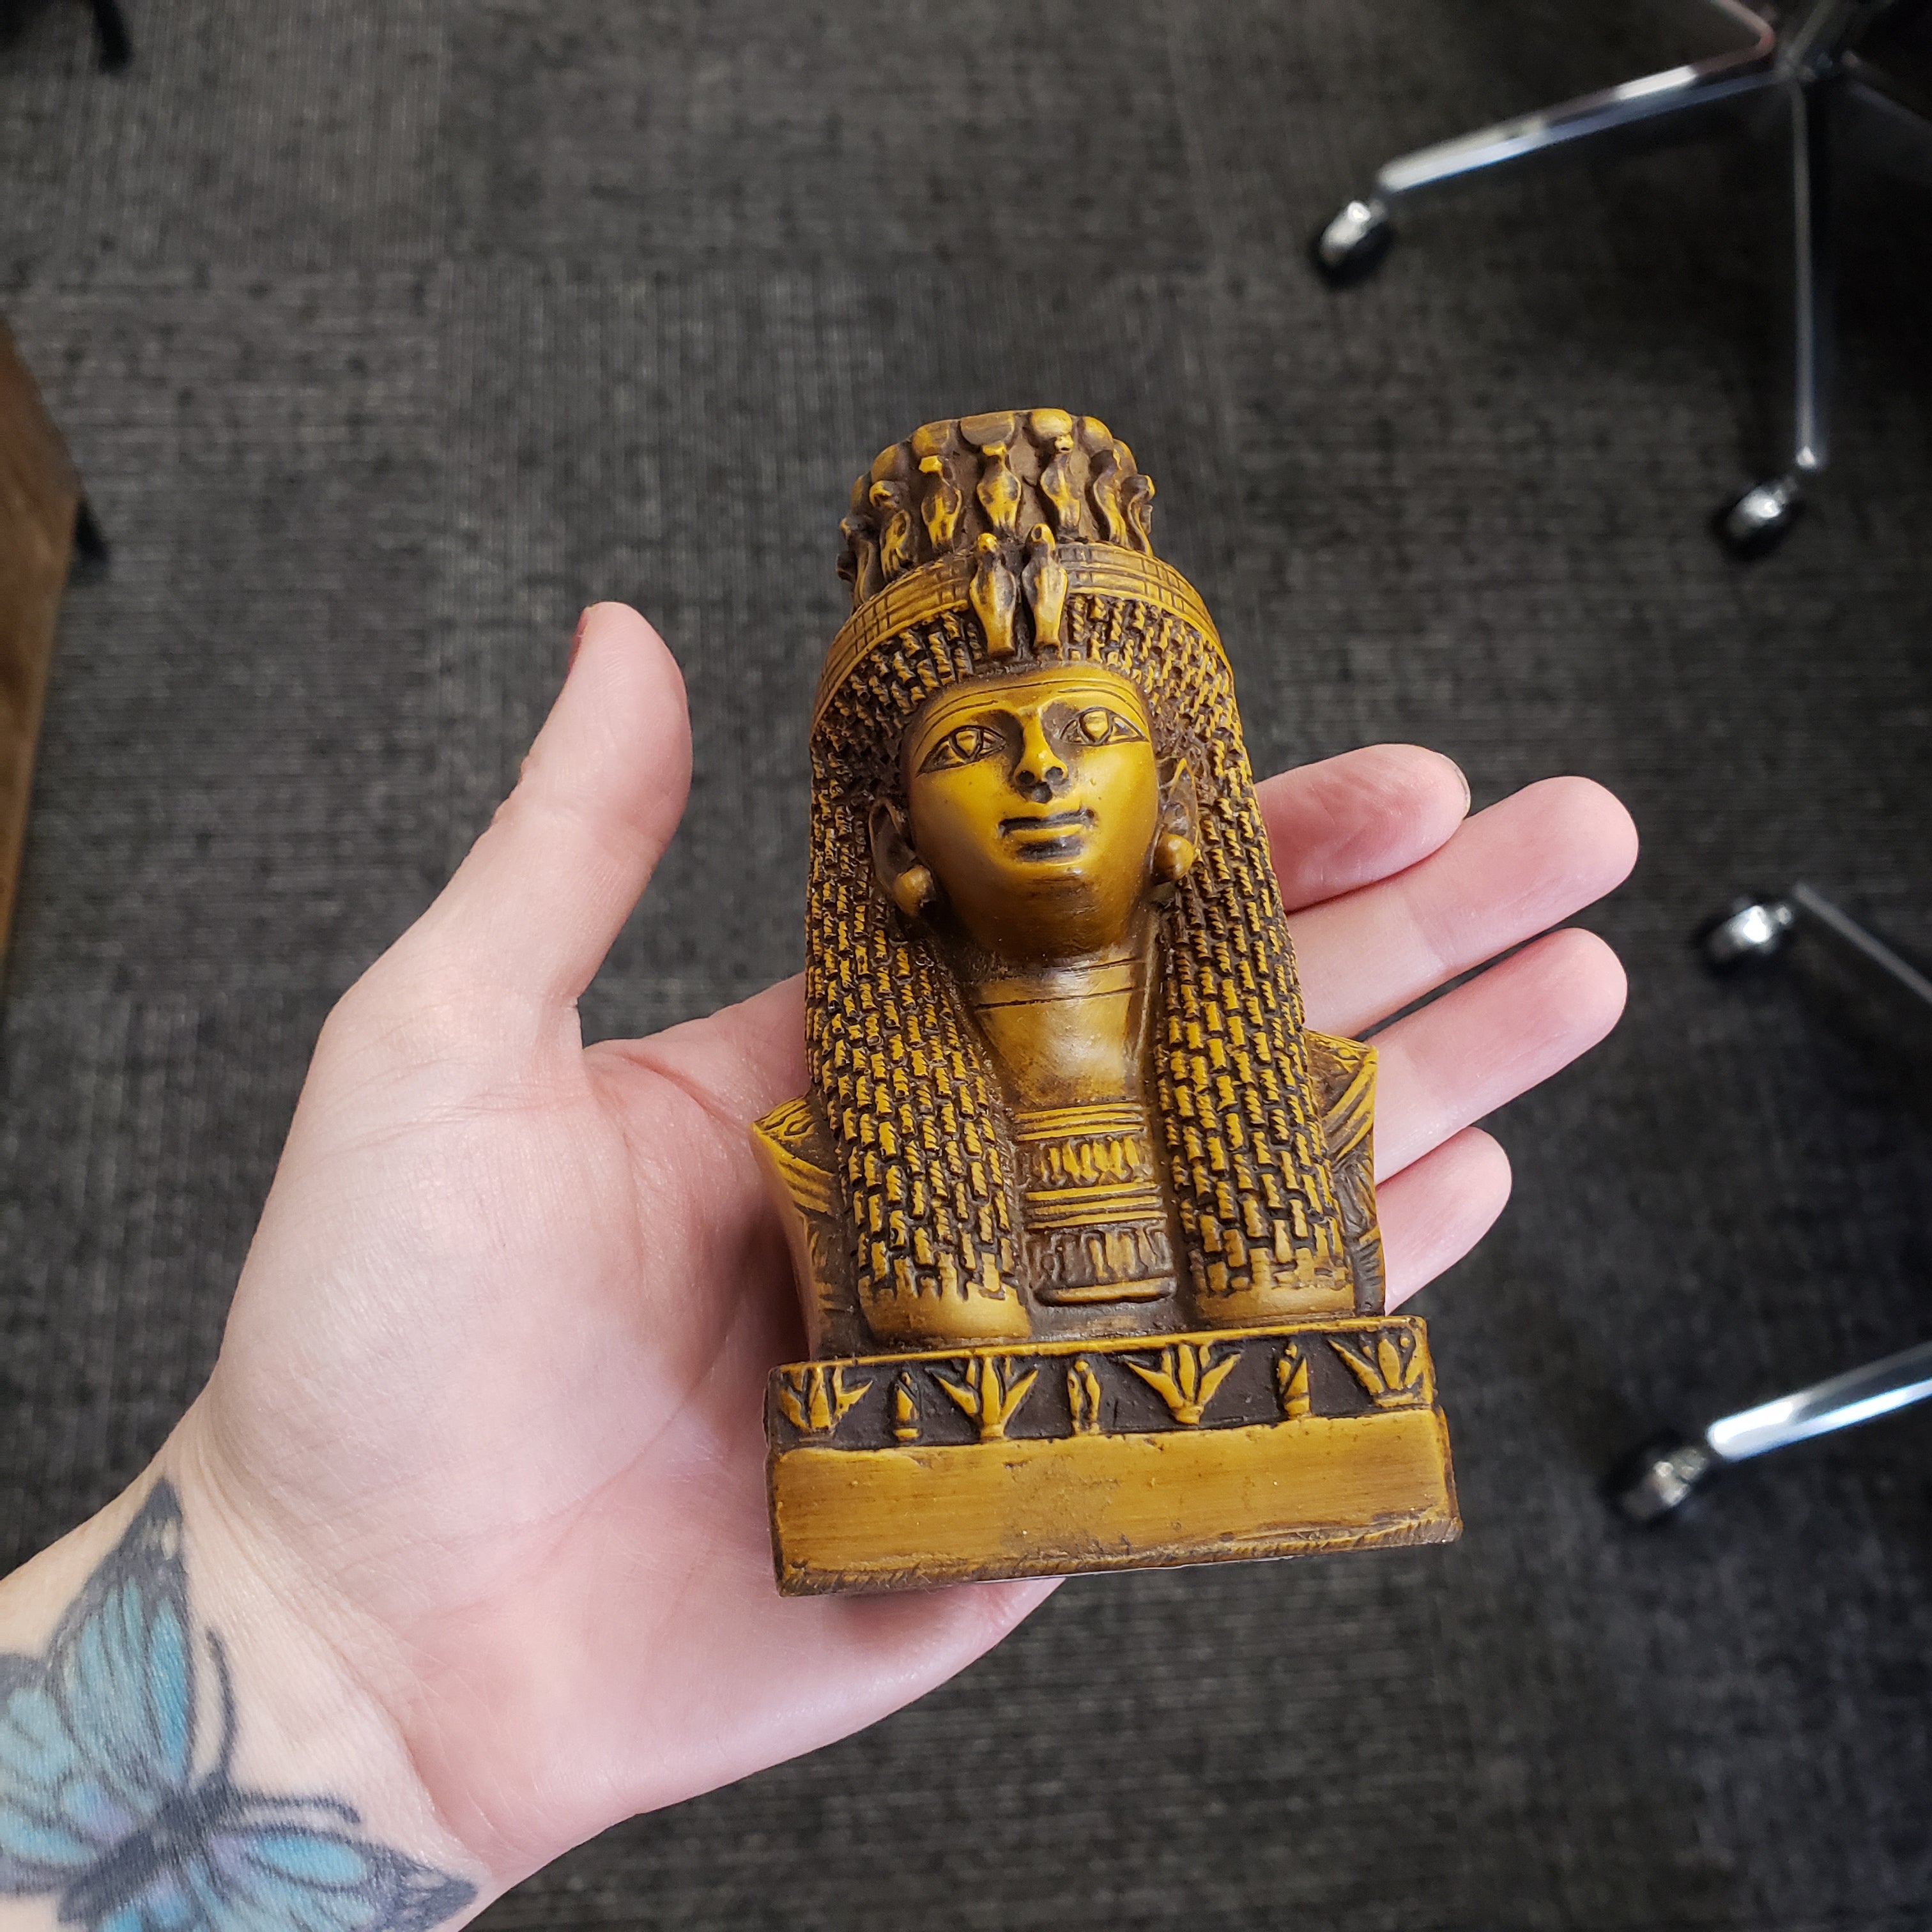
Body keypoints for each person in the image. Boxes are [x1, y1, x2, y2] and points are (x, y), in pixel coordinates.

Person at [0, 603, 1637, 1931]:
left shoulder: (1317, 1110)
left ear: (1188, 804)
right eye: (976, 744)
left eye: (1088, 731)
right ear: (898, 844)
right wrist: (295, 1618)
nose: (1041, 780)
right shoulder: (828, 1170)